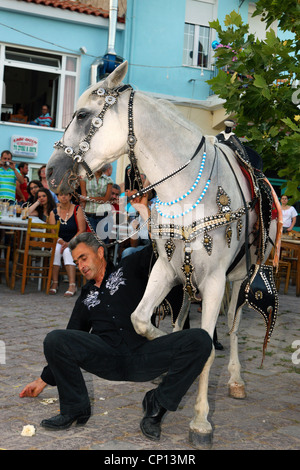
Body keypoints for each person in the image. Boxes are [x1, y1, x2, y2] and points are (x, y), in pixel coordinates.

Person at [19, 232, 212, 441]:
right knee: (56, 339)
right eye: (76, 262)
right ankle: (75, 409)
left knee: (200, 340)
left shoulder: (129, 267)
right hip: (107, 358)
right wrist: (42, 380)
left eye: (83, 258)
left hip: (144, 356)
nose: (80, 266)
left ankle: (157, 405)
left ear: (100, 252)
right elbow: (70, 337)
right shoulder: (86, 294)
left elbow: (157, 246)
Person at [48, 192, 86, 297]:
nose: (63, 196)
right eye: (60, 195)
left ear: (70, 196)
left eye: (65, 194)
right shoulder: (53, 213)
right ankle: (55, 282)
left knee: (67, 251)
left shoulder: (77, 209)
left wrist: (69, 243)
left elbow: (82, 230)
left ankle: (72, 285)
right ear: (57, 197)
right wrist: (62, 242)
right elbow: (53, 233)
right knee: (55, 251)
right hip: (59, 241)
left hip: (76, 241)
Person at [80, 167, 113, 236]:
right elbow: (83, 198)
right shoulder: (85, 179)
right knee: (90, 240)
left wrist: (88, 198)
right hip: (89, 214)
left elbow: (106, 199)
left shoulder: (108, 180)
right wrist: (81, 213)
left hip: (104, 214)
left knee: (103, 240)